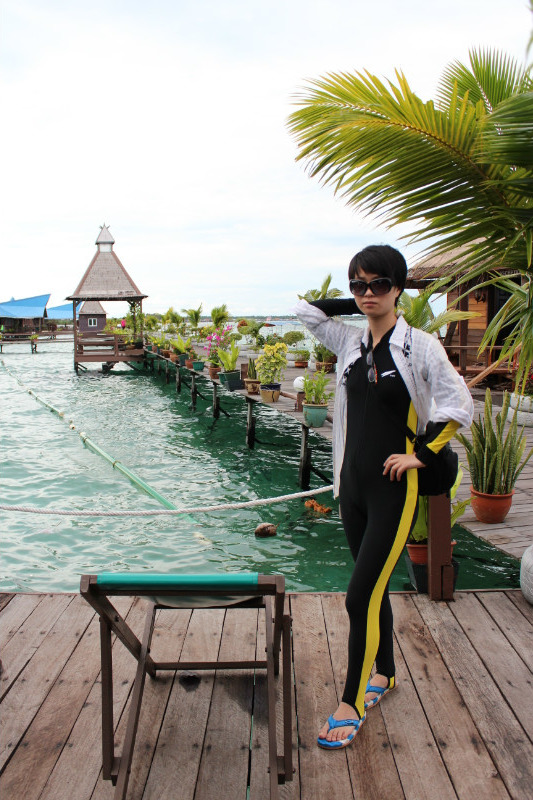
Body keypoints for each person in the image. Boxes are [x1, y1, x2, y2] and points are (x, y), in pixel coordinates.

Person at [292, 244, 473, 749]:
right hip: (351, 487)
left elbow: (459, 404)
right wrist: (362, 304)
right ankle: (386, 673)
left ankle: (350, 701)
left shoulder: (421, 346)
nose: (367, 293)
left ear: (399, 286)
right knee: (373, 592)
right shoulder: (349, 343)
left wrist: (421, 452)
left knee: (358, 596)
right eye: (359, 285)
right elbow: (303, 310)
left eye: (379, 285)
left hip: (395, 489)